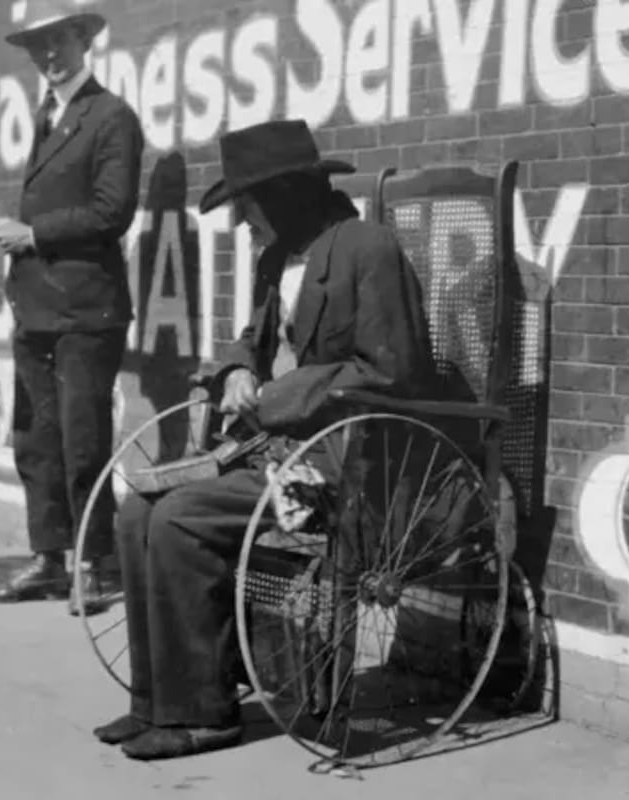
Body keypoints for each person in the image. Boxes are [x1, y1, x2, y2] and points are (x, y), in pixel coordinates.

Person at [95, 119, 438, 760]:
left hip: (340, 467)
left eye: (246, 205)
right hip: (271, 454)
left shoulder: (368, 251)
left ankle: (205, 714)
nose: (241, 220)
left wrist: (277, 397)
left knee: (180, 518)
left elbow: (392, 372)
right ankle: (156, 701)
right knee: (137, 512)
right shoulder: (279, 258)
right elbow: (251, 343)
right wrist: (234, 371)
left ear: (283, 193)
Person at [0, 0, 144, 615]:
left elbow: (112, 212)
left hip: (86, 312)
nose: (49, 55)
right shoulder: (53, 113)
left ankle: (99, 565)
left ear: (84, 40)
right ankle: (49, 559)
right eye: (37, 46)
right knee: (36, 441)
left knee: (82, 442)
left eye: (59, 41)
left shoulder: (111, 116)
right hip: (41, 309)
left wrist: (32, 234)